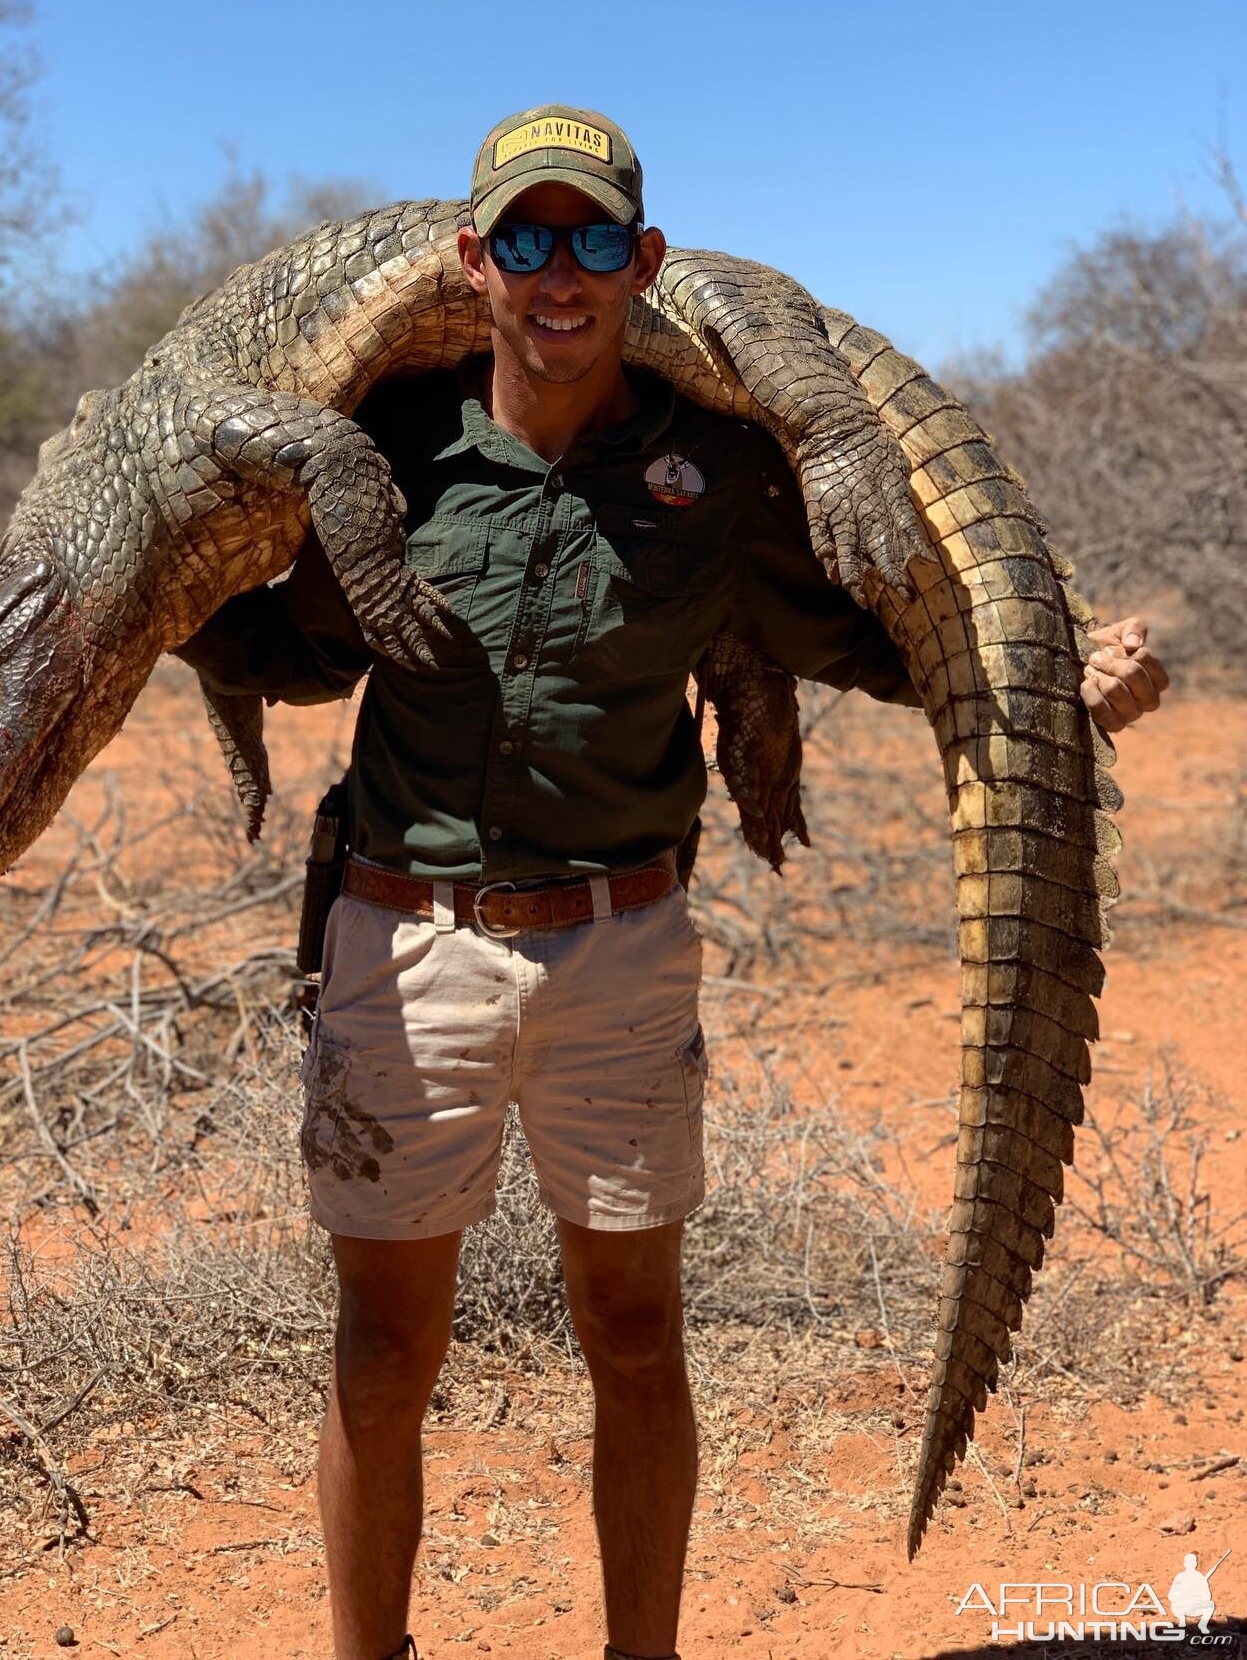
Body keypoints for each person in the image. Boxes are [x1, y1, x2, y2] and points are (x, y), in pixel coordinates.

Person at [179, 105, 1169, 1660]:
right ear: (474, 262)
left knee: (635, 1338)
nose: (555, 274)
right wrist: (148, 607)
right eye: (524, 239)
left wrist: (1069, 680)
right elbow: (283, 647)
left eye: (589, 241)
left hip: (619, 956)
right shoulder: (392, 457)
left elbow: (874, 633)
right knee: (380, 1353)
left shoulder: (713, 469)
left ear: (641, 265)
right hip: (403, 947)